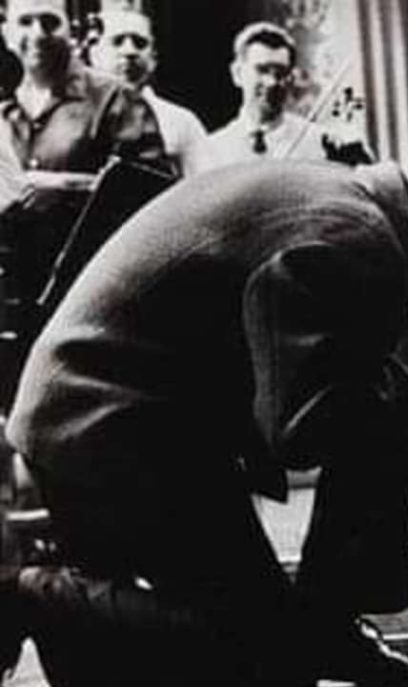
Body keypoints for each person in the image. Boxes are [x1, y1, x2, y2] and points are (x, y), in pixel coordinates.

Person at [0, 136, 408, 687]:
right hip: (99, 423)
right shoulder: (352, 238)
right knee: (269, 661)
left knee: (397, 387)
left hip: (136, 416)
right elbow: (301, 430)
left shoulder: (356, 211)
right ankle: (21, 601)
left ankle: (330, 628)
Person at [0, 0, 166, 393]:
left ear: (73, 30)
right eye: (25, 21)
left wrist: (67, 188)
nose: (38, 33)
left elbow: (155, 194)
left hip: (92, 305)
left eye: (49, 22)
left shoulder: (115, 100)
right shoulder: (4, 107)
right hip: (14, 305)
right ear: (6, 30)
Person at [203, 21, 372, 170]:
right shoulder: (213, 150)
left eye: (281, 72)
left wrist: (358, 162)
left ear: (291, 78)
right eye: (262, 70)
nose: (272, 82)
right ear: (237, 73)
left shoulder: (321, 143)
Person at [89, 8, 210, 178]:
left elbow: (202, 188)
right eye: (117, 41)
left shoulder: (181, 122)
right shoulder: (77, 118)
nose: (129, 51)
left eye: (140, 43)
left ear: (153, 58)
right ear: (95, 55)